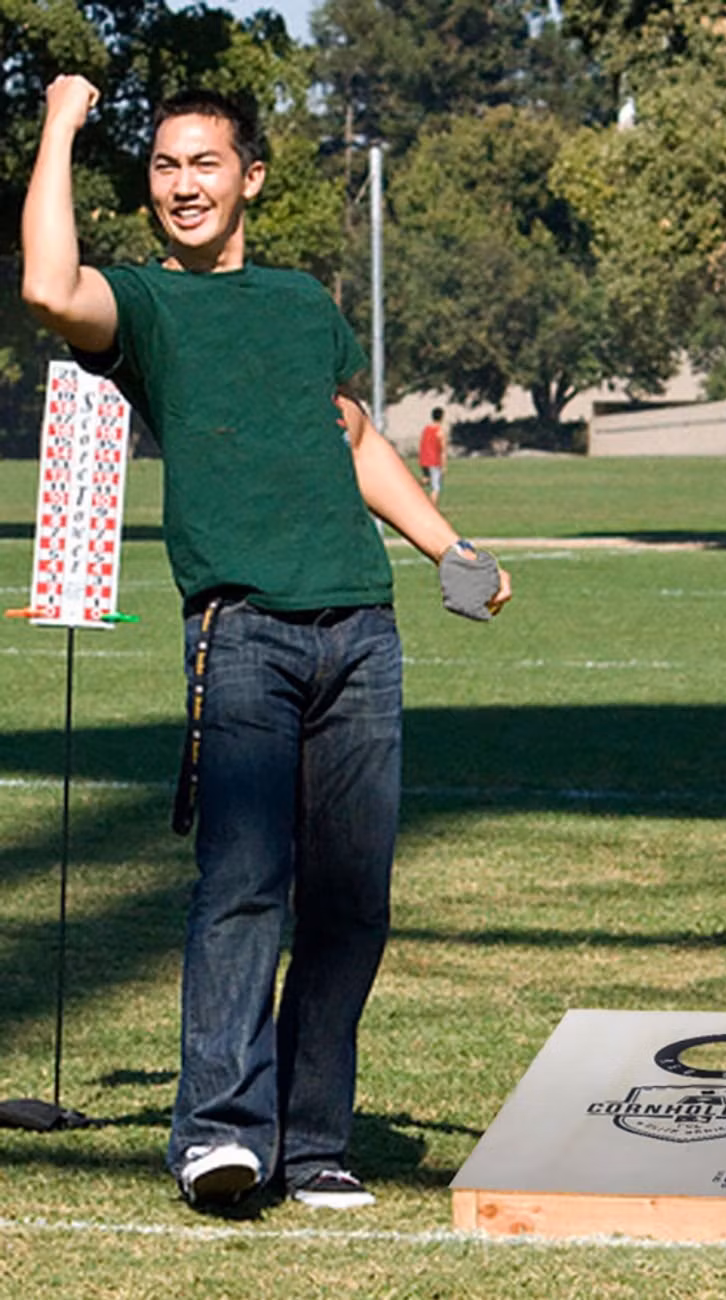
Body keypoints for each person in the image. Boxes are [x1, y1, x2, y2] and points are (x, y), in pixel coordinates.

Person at [22, 76, 510, 1213]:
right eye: (162, 167)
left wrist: (450, 548)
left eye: (204, 164)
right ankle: (220, 1135)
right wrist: (60, 123)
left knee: (351, 901)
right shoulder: (143, 305)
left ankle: (315, 1137)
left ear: (250, 177)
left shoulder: (302, 305)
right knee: (243, 885)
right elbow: (49, 286)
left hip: (363, 633)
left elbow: (350, 438)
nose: (182, 185)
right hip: (240, 636)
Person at [419, 406, 446, 506]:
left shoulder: (426, 429)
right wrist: (444, 466)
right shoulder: (440, 431)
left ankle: (411, 489)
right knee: (436, 487)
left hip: (424, 460)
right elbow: (443, 450)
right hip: (434, 461)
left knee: (426, 479)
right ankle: (432, 510)